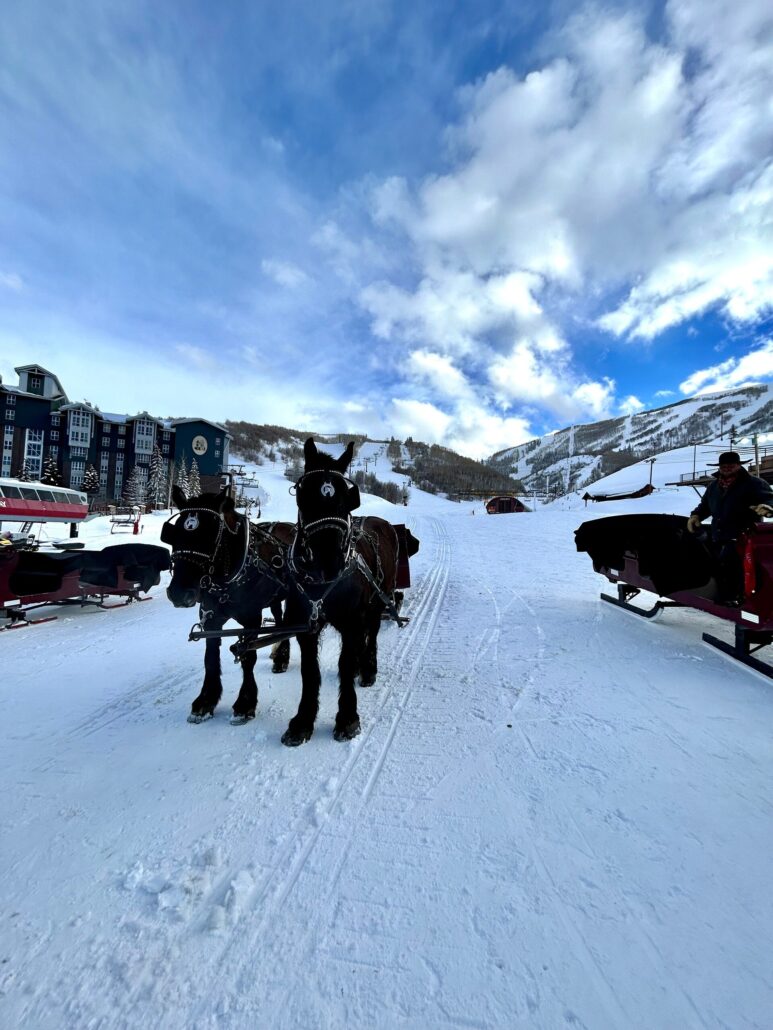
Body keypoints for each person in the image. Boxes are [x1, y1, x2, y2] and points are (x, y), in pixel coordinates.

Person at [687, 451, 773, 604]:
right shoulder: (713, 486)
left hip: (743, 537)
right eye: (723, 466)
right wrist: (696, 516)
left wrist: (767, 507)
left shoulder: (755, 484)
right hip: (718, 535)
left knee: (737, 571)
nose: (726, 468)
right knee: (718, 568)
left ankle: (740, 604)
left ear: (739, 466)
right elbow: (705, 506)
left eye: (731, 466)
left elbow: (769, 499)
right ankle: (724, 601)